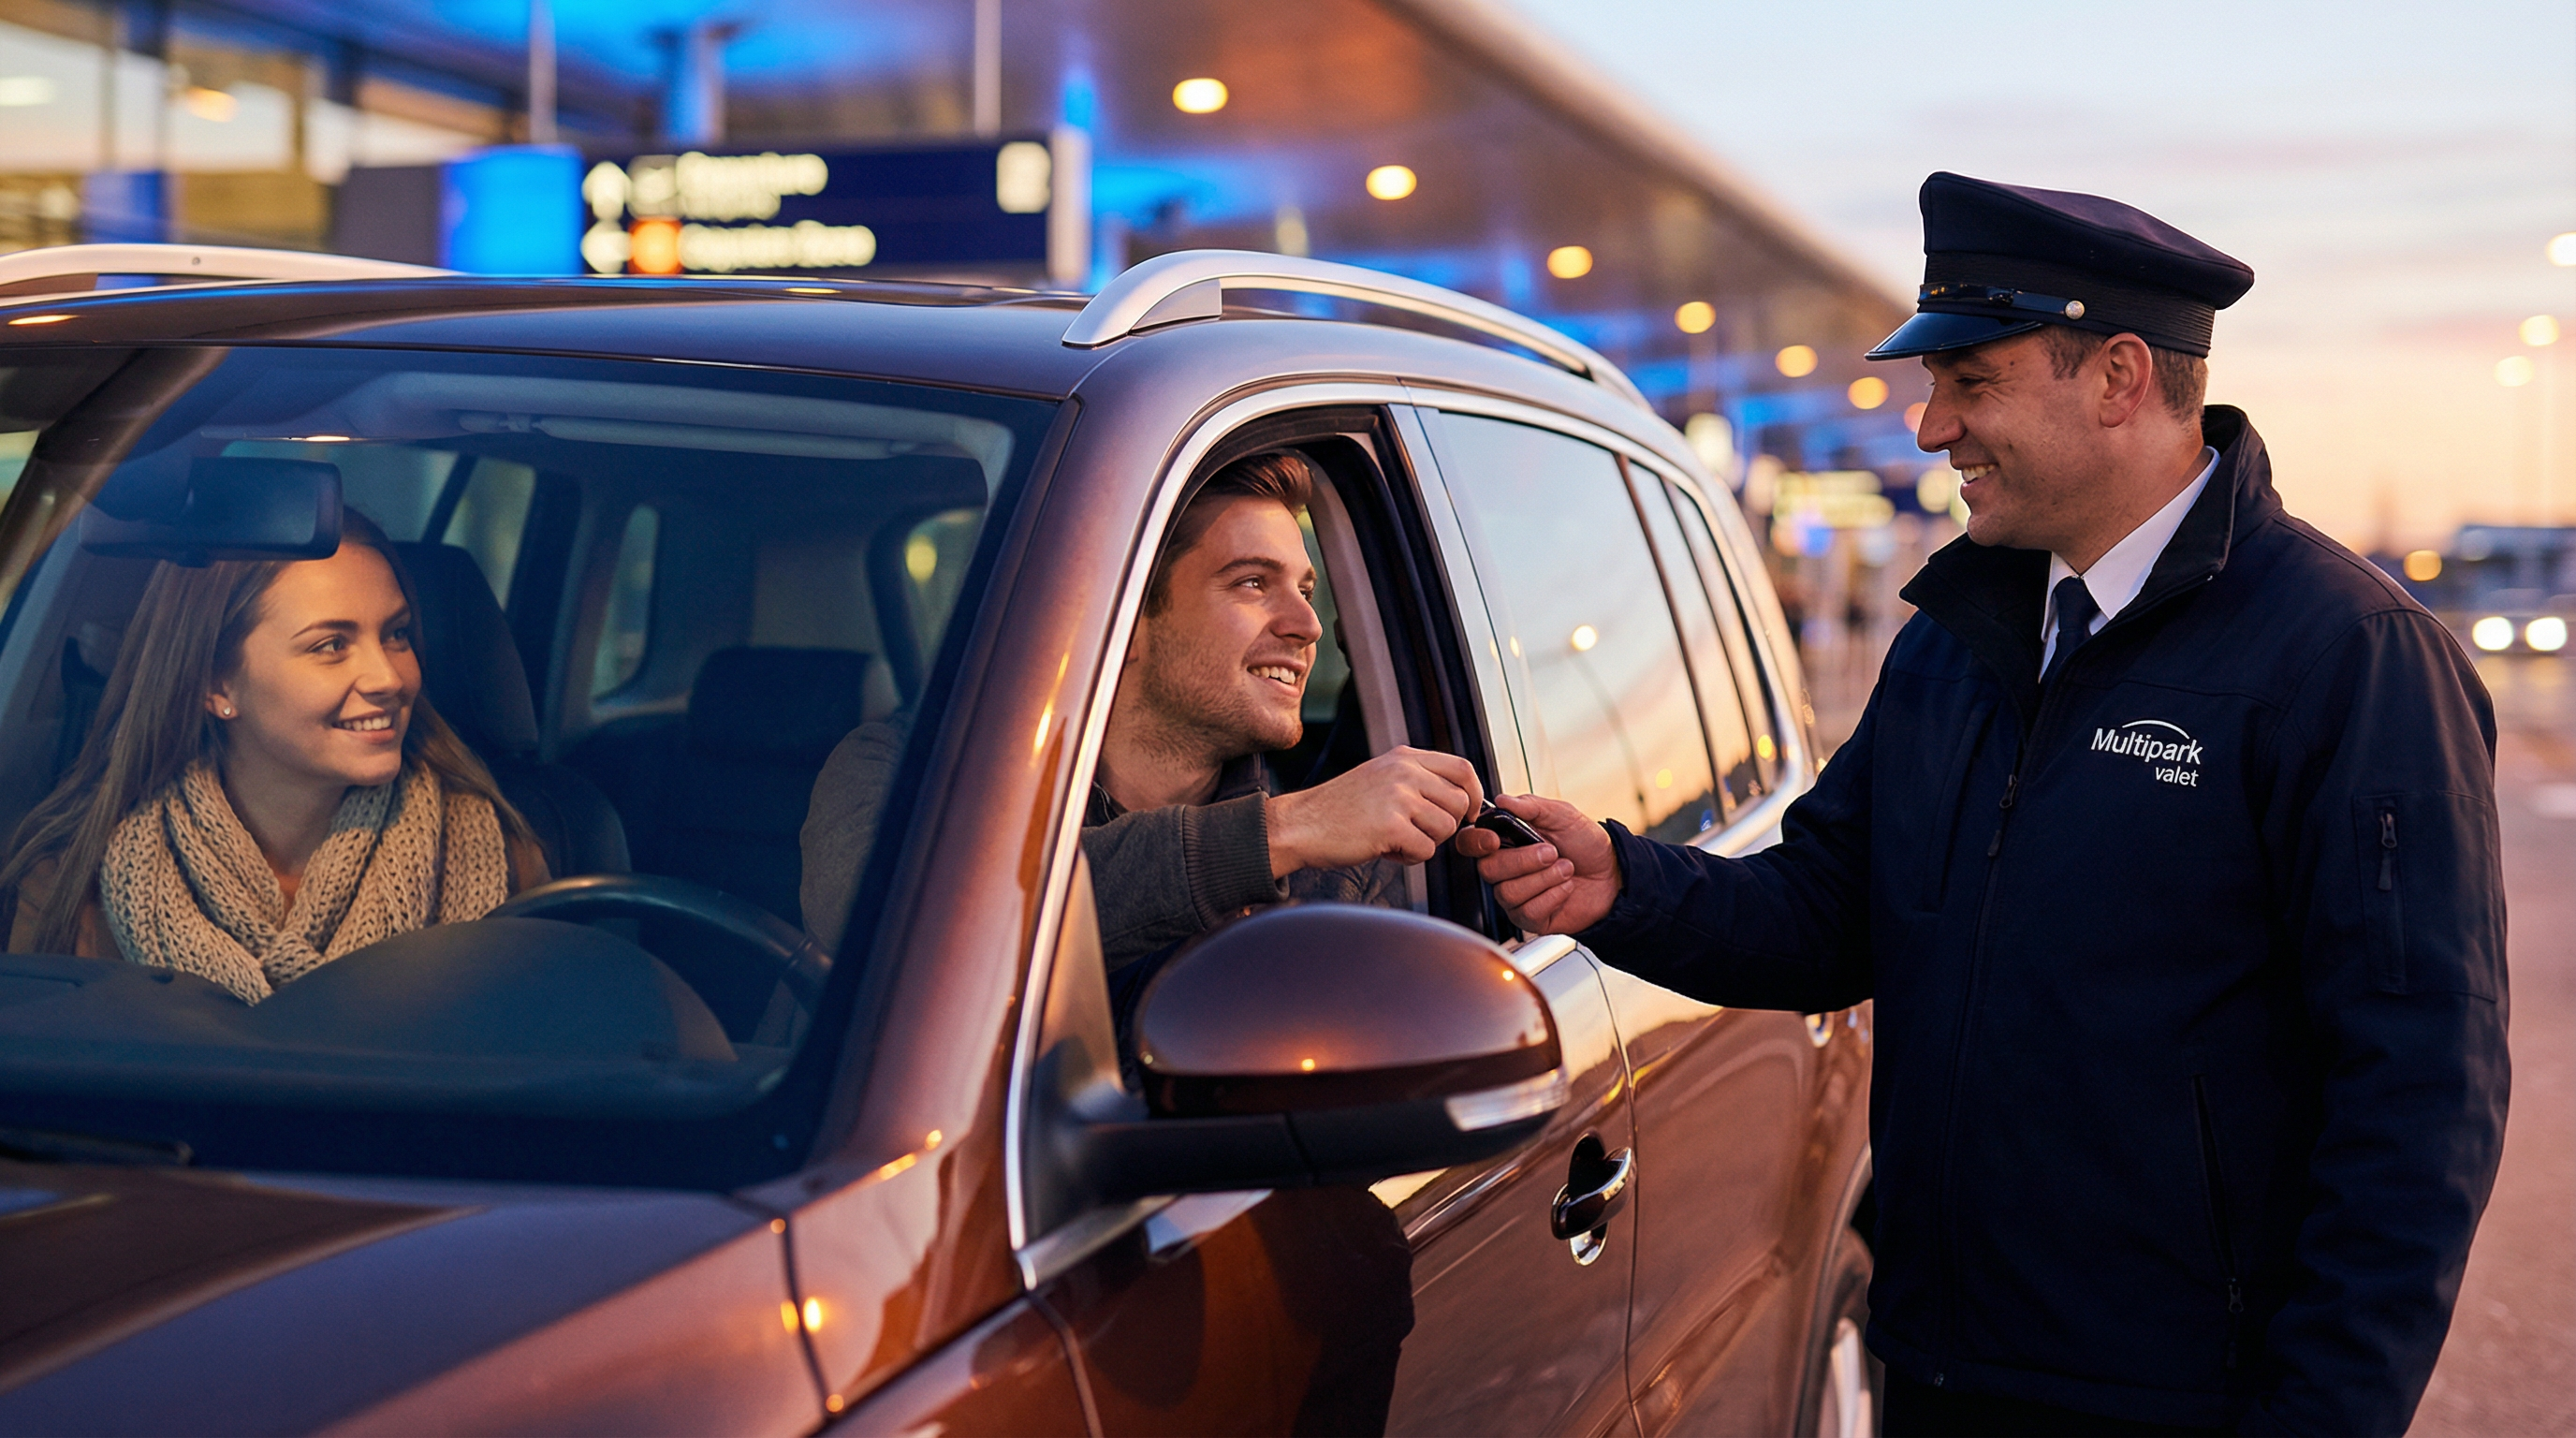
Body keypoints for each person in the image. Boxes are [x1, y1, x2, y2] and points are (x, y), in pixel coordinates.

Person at [1463, 173, 2508, 1437]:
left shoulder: (2346, 658)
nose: (1928, 429)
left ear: (2120, 378)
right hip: (1941, 1368)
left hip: (2180, 1403)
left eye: (1972, 383)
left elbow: (2419, 1099)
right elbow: (1830, 910)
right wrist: (1624, 886)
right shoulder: (1960, 640)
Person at [803, 450, 1486, 980]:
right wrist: (1284, 830)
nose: (1308, 624)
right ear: (1121, 618)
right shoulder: (910, 772)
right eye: (1253, 582)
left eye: (1305, 590)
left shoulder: (1337, 881)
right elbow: (888, 929)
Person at [0, 511, 547, 1004]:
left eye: (397, 634)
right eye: (331, 645)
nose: (390, 678)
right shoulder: (74, 882)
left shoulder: (505, 863)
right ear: (215, 683)